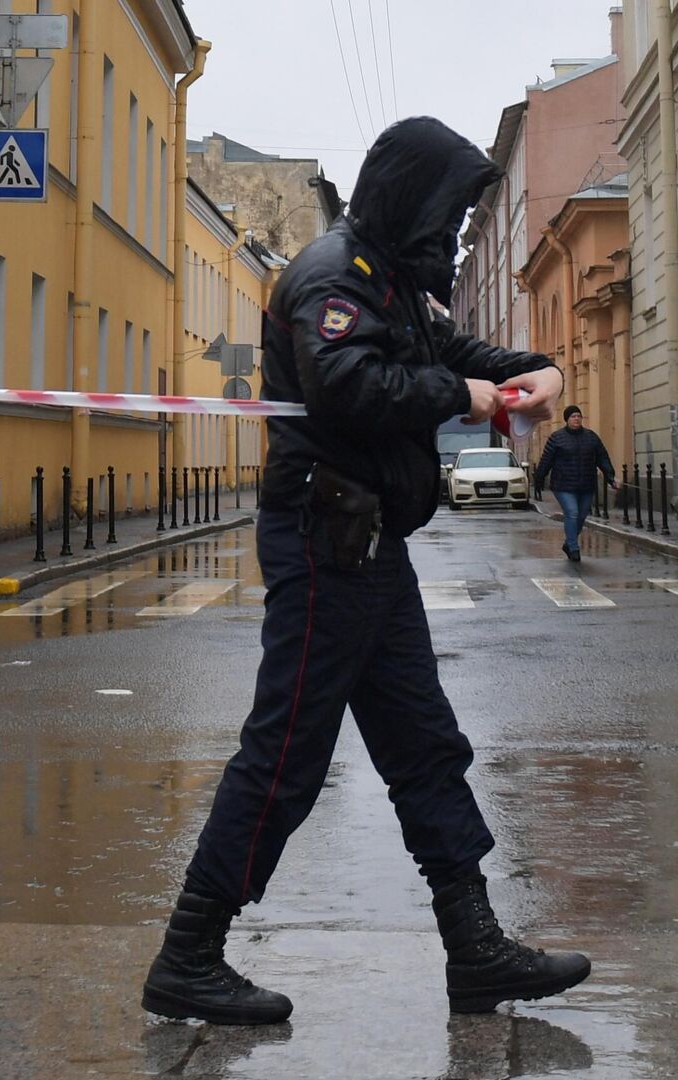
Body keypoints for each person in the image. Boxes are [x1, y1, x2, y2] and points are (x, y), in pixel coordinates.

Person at [141, 117, 589, 1025]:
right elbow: (344, 382)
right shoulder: (331, 276)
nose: (458, 229)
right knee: (286, 755)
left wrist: (528, 368)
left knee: (425, 746)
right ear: (412, 195)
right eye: (454, 209)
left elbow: (450, 352)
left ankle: (476, 950)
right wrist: (458, 397)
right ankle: (189, 955)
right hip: (324, 537)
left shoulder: (384, 279)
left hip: (370, 546)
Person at [532, 406, 616, 562]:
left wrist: (610, 477)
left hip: (586, 484)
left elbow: (602, 457)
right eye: (573, 416)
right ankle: (573, 547)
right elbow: (546, 461)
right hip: (563, 485)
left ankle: (568, 543)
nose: (576, 419)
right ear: (567, 419)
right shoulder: (557, 438)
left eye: (579, 416)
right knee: (572, 512)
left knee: (582, 515)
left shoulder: (591, 438)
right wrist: (539, 479)